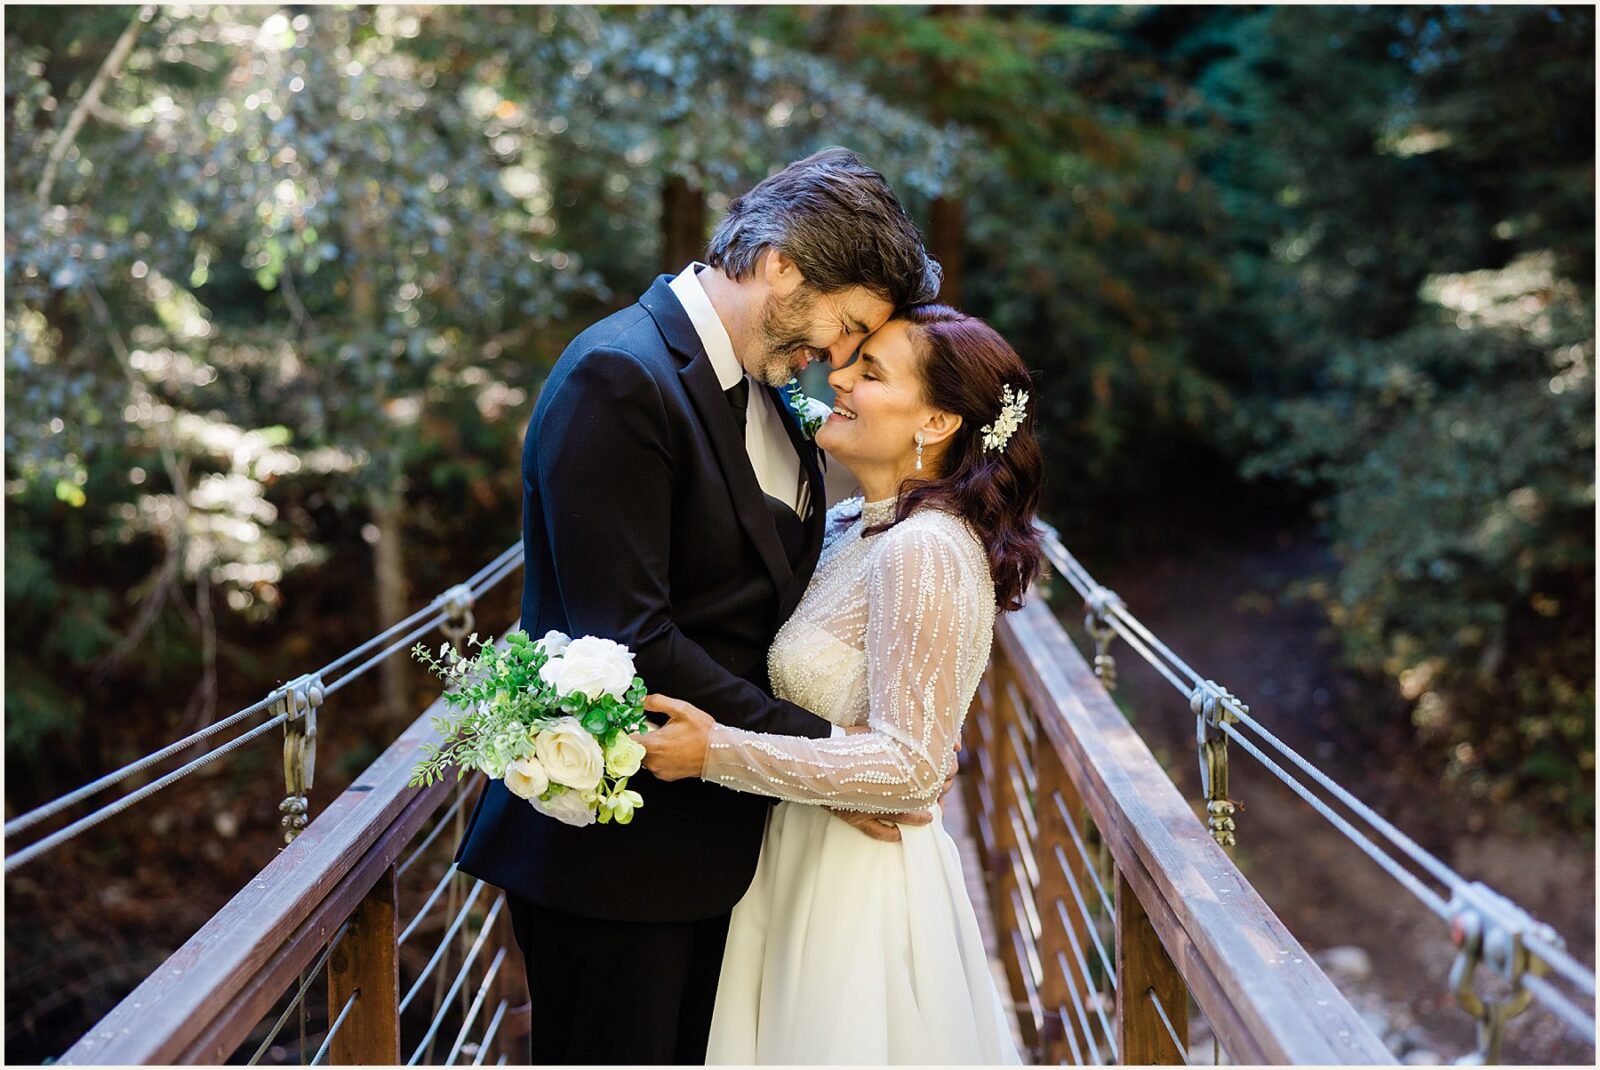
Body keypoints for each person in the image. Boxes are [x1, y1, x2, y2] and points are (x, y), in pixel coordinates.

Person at [454, 147, 946, 1065]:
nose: (836, 357)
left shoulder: (769, 391)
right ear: (782, 262)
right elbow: (629, 635)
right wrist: (823, 757)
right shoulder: (621, 378)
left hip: (718, 848)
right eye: (843, 324)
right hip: (615, 858)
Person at [638, 304, 1043, 1064]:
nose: (839, 378)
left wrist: (714, 752)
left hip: (856, 888)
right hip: (795, 851)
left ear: (936, 421)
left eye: (871, 371)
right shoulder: (855, 522)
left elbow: (912, 767)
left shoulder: (925, 548)